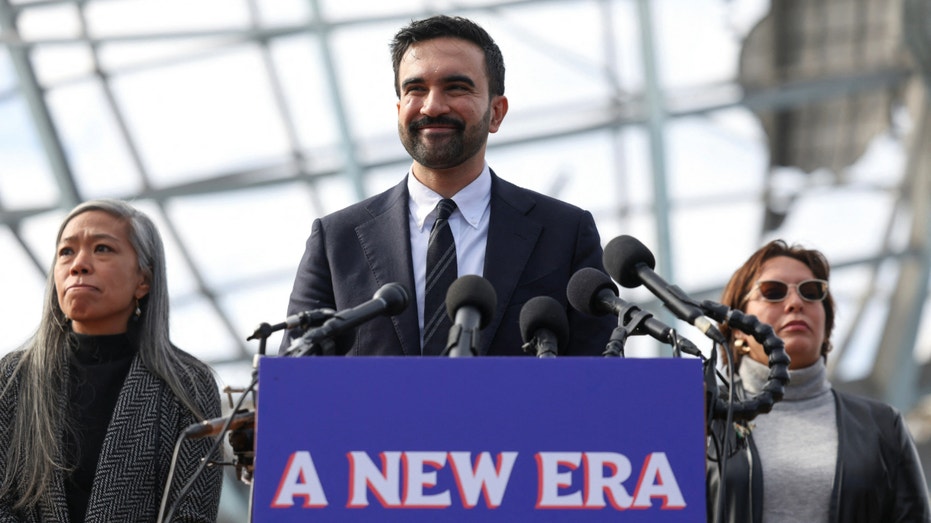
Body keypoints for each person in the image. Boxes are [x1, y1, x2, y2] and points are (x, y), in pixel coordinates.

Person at [281, 14, 615, 356]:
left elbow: (600, 377)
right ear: (399, 109)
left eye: (456, 87)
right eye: (415, 89)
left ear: (496, 112)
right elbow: (294, 381)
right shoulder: (337, 240)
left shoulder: (565, 234)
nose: (432, 106)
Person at [0, 199, 222, 522]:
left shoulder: (188, 384)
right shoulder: (13, 377)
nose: (79, 264)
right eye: (66, 252)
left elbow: (192, 514)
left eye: (102, 249)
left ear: (142, 281)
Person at [706, 239, 930, 522]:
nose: (796, 303)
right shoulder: (699, 416)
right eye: (773, 292)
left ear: (826, 325)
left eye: (811, 292)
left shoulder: (883, 426)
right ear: (736, 328)